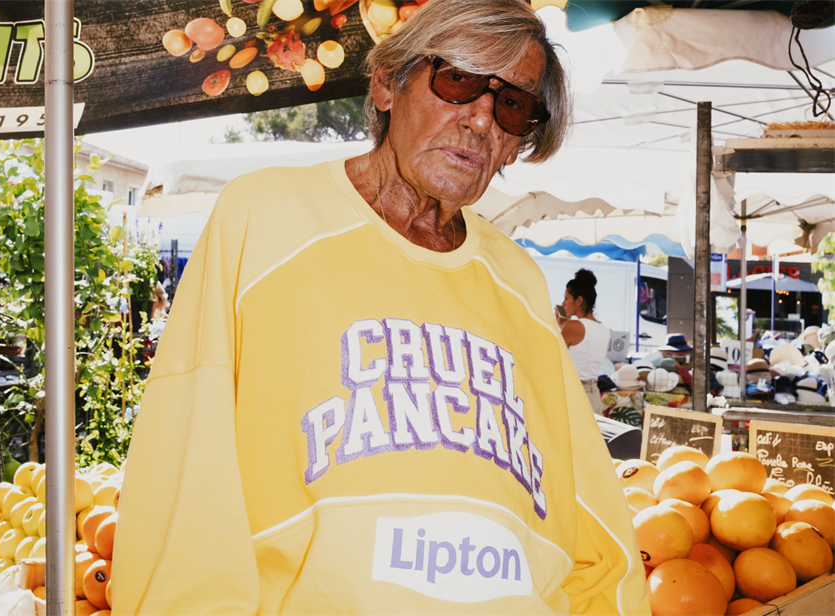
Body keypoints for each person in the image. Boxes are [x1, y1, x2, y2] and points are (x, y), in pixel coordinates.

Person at [112, 1, 648, 614]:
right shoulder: (264, 219)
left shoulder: (520, 283)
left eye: (512, 104)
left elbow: (591, 528)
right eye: (458, 79)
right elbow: (187, 474)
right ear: (388, 82)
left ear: (518, 143)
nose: (479, 119)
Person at [556, 269, 610, 414]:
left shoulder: (572, 326)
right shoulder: (604, 329)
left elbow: (553, 357)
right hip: (593, 395)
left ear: (579, 300)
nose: (563, 303)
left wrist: (560, 326)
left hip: (574, 394)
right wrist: (563, 326)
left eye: (566, 298)